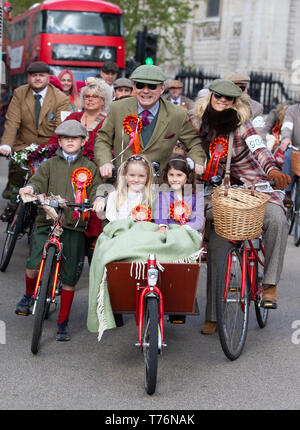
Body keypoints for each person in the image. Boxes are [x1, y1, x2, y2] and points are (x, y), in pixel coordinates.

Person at [192, 78, 290, 334]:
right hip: (216, 192)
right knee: (216, 243)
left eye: (229, 99)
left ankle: (269, 285)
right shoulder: (197, 123)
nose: (223, 102)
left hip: (251, 188)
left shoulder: (242, 125)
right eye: (218, 97)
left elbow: (261, 151)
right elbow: (186, 147)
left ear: (236, 103)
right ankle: (214, 314)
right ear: (210, 97)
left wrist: (272, 170)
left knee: (277, 219)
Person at [15, 120, 103, 342]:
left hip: (74, 225)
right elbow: (37, 181)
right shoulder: (50, 164)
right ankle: (28, 295)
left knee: (69, 276)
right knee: (34, 266)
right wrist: (31, 188)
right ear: (60, 141)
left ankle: (63, 322)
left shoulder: (90, 167)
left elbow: (97, 189)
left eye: (74, 138)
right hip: (48, 222)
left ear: (83, 141)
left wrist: (100, 199)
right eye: (64, 138)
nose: (69, 141)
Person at [94, 64, 206, 183]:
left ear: (162, 89)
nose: (146, 91)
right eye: (140, 85)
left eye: (152, 87)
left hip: (157, 186)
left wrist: (197, 161)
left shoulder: (177, 114)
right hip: (122, 182)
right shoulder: (118, 108)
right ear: (134, 87)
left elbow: (194, 142)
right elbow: (103, 139)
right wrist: (105, 162)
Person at [0, 61, 71, 206]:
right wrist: (6, 144)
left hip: (50, 147)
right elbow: (12, 121)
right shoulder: (20, 93)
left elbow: (62, 126)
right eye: (34, 75)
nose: (37, 78)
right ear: (28, 77)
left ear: (48, 77)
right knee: (17, 170)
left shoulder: (60, 98)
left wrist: (61, 148)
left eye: (41, 75)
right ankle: (13, 204)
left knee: (50, 180)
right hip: (24, 145)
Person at [153, 154, 205, 233]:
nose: (174, 179)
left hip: (189, 229)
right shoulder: (164, 193)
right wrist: (163, 226)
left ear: (188, 176)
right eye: (171, 175)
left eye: (179, 175)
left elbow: (199, 218)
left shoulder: (197, 194)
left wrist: (184, 229)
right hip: (169, 229)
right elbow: (160, 212)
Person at [102, 154, 154, 222]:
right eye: (132, 175)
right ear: (125, 175)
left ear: (148, 177)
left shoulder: (151, 198)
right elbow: (111, 222)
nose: (136, 180)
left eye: (141, 176)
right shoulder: (114, 196)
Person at [224, 71, 266, 138]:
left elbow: (259, 133)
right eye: (241, 88)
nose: (246, 91)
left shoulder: (256, 107)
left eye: (244, 88)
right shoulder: (220, 104)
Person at [279, 99, 300, 200]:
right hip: (295, 148)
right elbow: (287, 125)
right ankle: (286, 191)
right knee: (288, 155)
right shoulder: (292, 110)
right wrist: (286, 138)